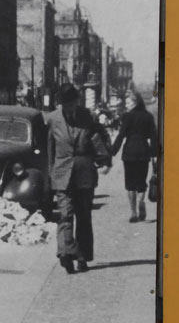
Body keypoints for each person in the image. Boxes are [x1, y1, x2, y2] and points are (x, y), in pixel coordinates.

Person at [47, 83, 112, 273]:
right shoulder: (52, 119)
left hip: (84, 173)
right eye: (64, 106)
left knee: (83, 216)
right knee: (66, 214)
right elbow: (50, 148)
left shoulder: (88, 116)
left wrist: (105, 159)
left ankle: (82, 257)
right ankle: (67, 252)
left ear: (77, 101)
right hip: (61, 173)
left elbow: (102, 136)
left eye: (71, 105)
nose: (68, 109)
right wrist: (51, 173)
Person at [110, 90, 158, 222]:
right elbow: (153, 136)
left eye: (128, 102)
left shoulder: (127, 116)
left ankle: (133, 212)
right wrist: (154, 154)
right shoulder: (148, 116)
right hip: (143, 151)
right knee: (141, 181)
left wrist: (112, 151)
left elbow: (121, 135)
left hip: (130, 152)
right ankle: (141, 201)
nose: (126, 104)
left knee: (130, 183)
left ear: (135, 102)